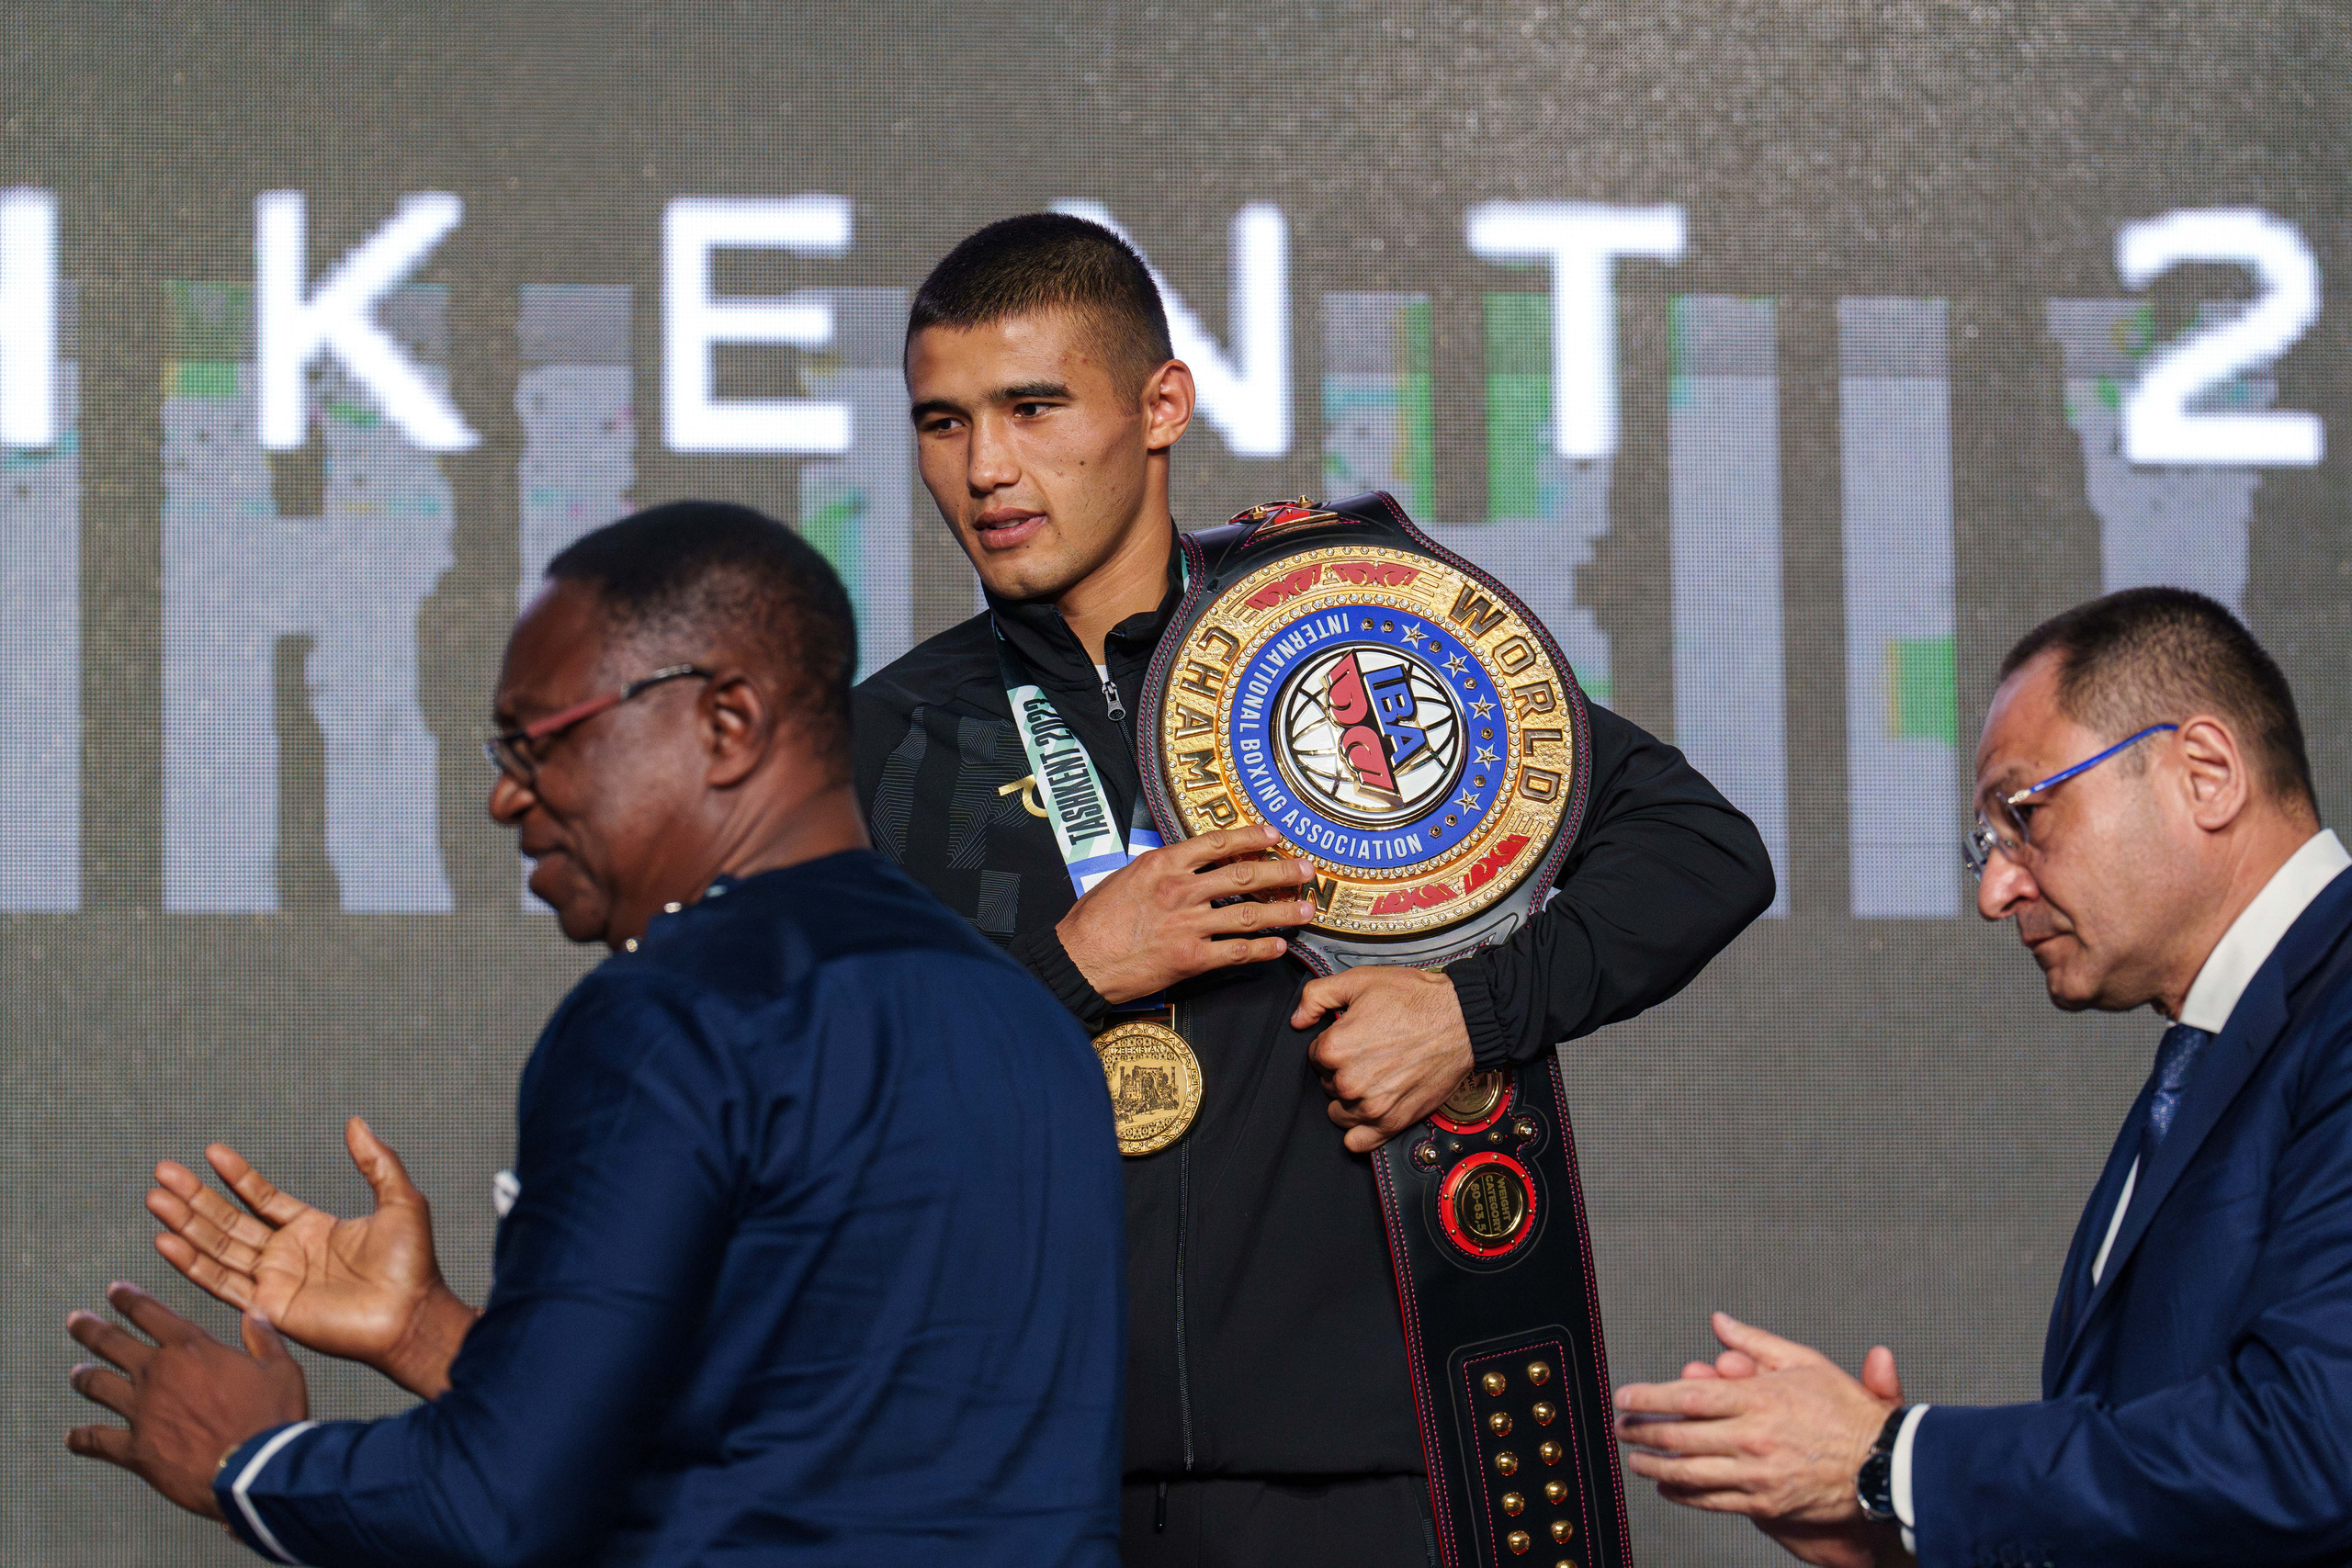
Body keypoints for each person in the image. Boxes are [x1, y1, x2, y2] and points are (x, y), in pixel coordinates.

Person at [856, 211, 1777, 1562]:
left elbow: (1703, 849)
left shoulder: (1331, 640)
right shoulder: (888, 739)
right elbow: (833, 1102)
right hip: (1017, 1485)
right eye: (944, 422)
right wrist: (1069, 974)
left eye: (1034, 406)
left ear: (1161, 403)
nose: (987, 466)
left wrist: (1470, 1009)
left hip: (1351, 1475)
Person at [66, 502, 1127, 1566]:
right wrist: (427, 1333)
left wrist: (244, 1457)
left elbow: (496, 1512)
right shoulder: (1025, 1022)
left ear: (725, 724)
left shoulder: (672, 1013)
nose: (502, 796)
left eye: (540, 741)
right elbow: (819, 1446)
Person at [1614, 586, 2352, 1567]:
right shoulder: (2211, 1058)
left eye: (2024, 816)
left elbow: (2315, 1448)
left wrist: (1888, 1459)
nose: (1994, 891)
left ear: (2206, 774)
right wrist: (1888, 1542)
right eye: (1984, 846)